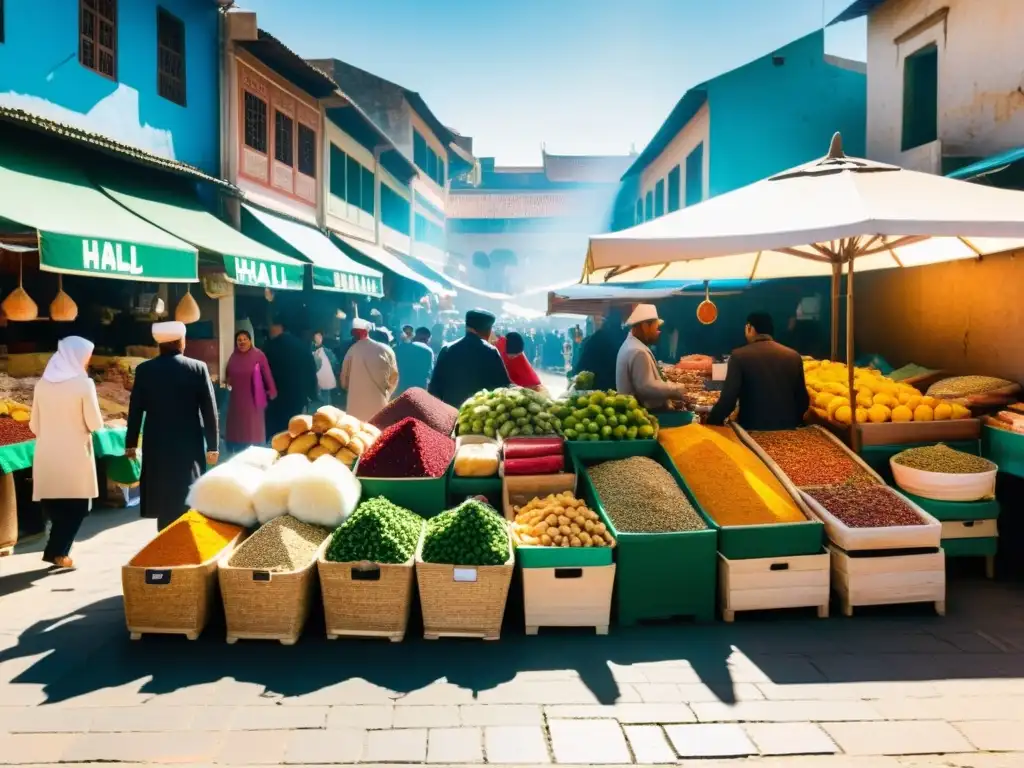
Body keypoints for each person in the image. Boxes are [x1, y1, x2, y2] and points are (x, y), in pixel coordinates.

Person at [125, 322, 219, 531]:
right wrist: (213, 446)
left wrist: (131, 443)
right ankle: (181, 540)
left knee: (162, 491)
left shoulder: (145, 370)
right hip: (189, 440)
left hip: (156, 440)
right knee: (187, 487)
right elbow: (209, 411)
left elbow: (136, 409)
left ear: (160, 346)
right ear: (181, 343)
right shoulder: (197, 367)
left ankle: (165, 542)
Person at [29, 336, 104, 568]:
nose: (87, 362)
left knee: (58, 505)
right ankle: (57, 552)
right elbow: (95, 423)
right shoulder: (84, 384)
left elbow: (34, 425)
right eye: (86, 357)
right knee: (78, 507)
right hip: (75, 456)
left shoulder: (42, 384)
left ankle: (57, 551)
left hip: (47, 455)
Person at [708, 311, 810, 430]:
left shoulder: (739, 356)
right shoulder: (793, 356)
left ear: (749, 328)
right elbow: (802, 399)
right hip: (787, 429)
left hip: (752, 429)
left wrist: (712, 422)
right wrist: (792, 423)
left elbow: (728, 399)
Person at [429, 309, 511, 408]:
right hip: (479, 415)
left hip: (450, 412)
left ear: (467, 327)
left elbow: (434, 388)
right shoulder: (490, 351)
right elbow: (503, 386)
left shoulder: (447, 349)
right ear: (487, 330)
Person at [615, 304, 687, 410]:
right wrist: (677, 389)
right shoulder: (638, 351)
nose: (658, 332)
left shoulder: (632, 345)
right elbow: (647, 387)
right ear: (645, 326)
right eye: (656, 327)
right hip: (642, 414)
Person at [263, 317, 317, 435]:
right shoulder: (301, 346)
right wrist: (311, 393)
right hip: (297, 396)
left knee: (275, 432)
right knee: (294, 429)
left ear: (277, 327)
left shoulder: (269, 347)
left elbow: (262, 373)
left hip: (275, 399)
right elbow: (311, 370)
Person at [225, 330, 277, 451]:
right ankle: (236, 448)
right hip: (236, 398)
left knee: (252, 427)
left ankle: (254, 449)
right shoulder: (233, 356)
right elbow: (228, 373)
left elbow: (267, 374)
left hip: (253, 398)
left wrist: (272, 390)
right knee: (237, 426)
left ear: (250, 341)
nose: (242, 342)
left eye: (245, 339)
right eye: (239, 340)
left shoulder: (259, 355)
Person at [340, 318, 399, 421]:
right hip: (379, 407)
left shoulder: (352, 350)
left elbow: (344, 380)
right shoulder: (387, 350)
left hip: (355, 409)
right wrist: (387, 394)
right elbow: (394, 378)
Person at [571, 307, 626, 391]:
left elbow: (581, 366)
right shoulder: (626, 338)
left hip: (597, 388)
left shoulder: (596, 338)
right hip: (620, 388)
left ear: (605, 321)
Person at [395, 326, 434, 395]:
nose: (423, 342)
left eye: (425, 340)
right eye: (422, 339)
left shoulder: (399, 348)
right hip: (419, 391)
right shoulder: (428, 351)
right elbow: (430, 373)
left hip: (400, 389)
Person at [312, 330, 339, 405]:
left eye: (319, 337)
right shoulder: (311, 350)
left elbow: (334, 363)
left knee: (326, 397)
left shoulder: (327, 351)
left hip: (325, 379)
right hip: (316, 380)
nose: (317, 339)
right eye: (316, 337)